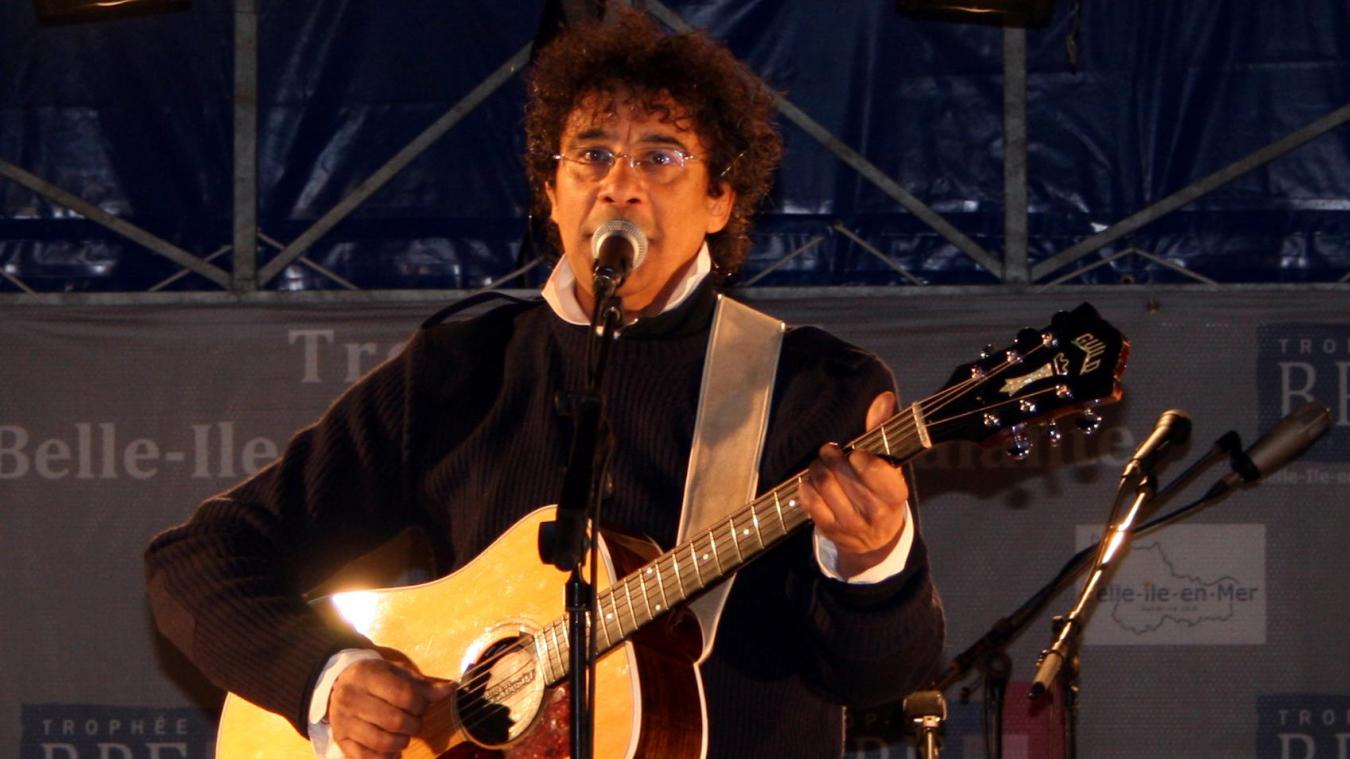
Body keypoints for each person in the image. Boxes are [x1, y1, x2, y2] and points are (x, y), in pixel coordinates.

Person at [146, 11, 944, 759]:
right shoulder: (460, 370)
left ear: (719, 201)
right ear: (551, 194)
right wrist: (326, 677)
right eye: (591, 154)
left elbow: (878, 677)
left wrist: (873, 559)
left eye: (660, 156)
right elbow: (196, 558)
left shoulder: (817, 389)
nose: (620, 184)